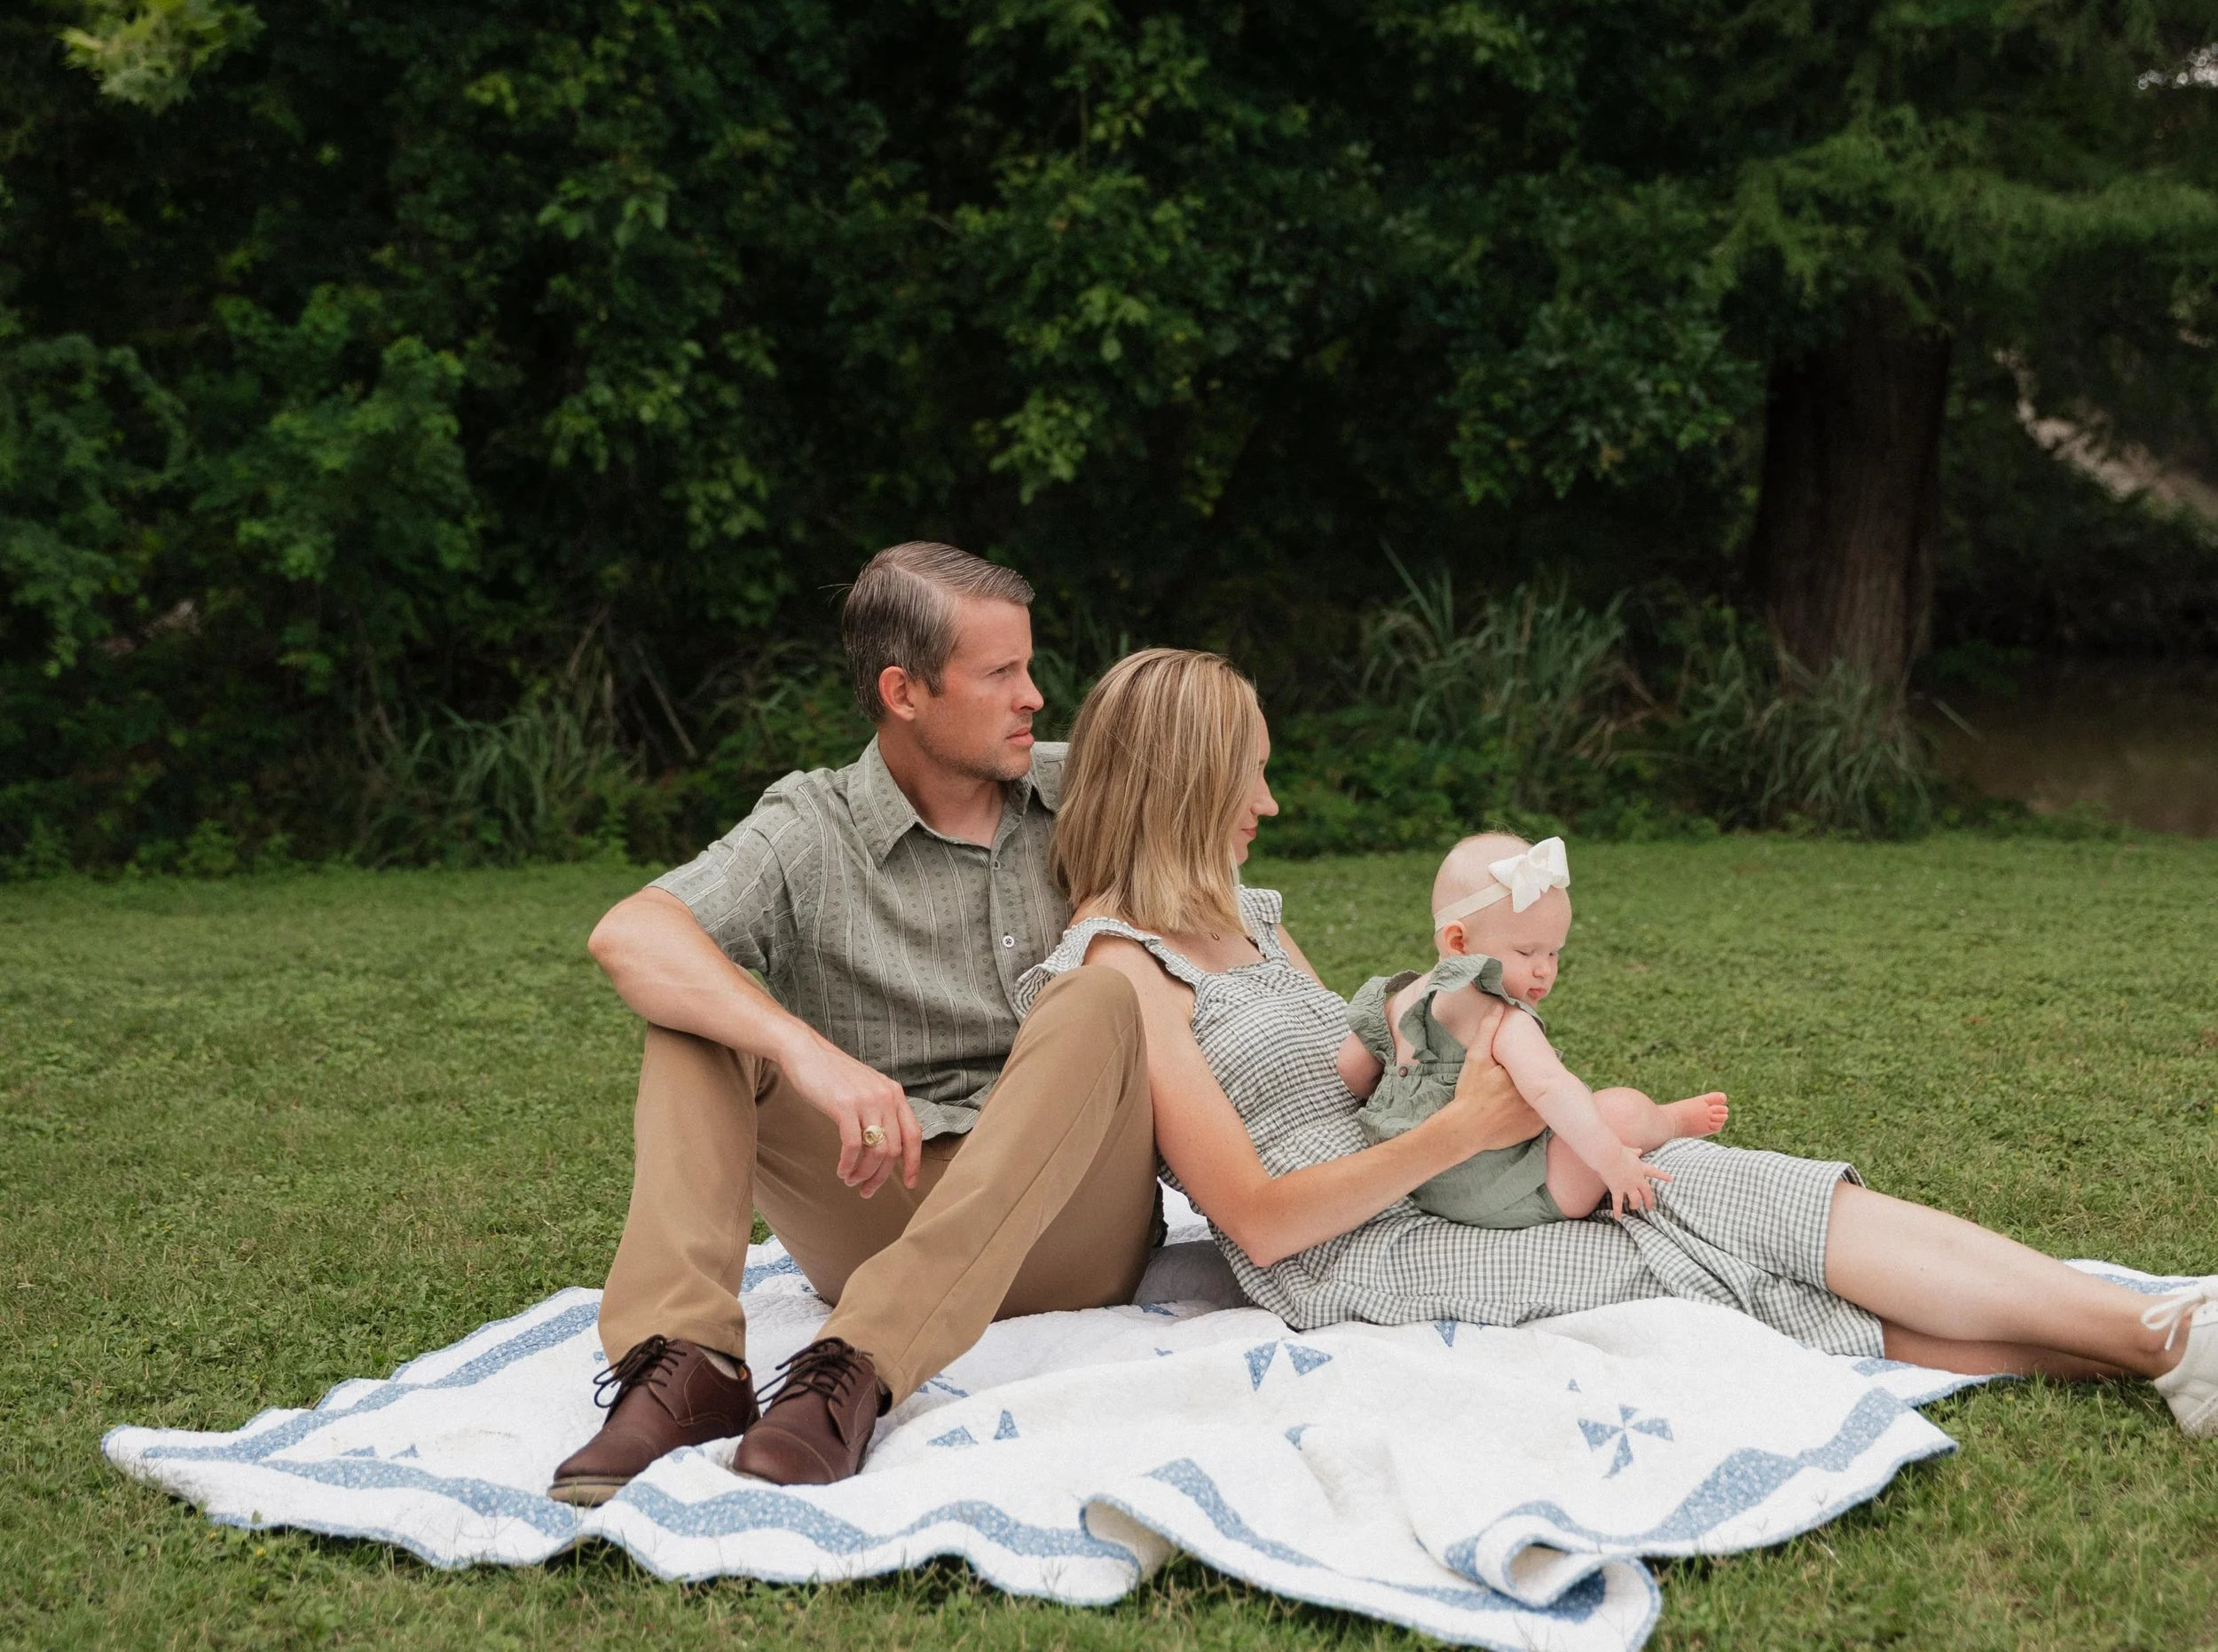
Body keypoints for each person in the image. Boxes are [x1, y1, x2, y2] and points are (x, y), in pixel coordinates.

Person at [1019, 646, 2218, 1428]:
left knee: (1712, 1182)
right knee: (1684, 1268)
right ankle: (2149, 1345)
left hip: (1453, 1181)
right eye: (1251, 779)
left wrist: (1454, 1020)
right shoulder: (1121, 974)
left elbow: (1363, 1066)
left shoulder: (1253, 920)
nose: (1271, 806)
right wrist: (1458, 1128)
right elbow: (1259, 1219)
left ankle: (2156, 1337)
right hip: (1355, 1261)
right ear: (1180, 784)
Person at [550, 543, 1157, 1503]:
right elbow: (631, 933)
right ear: (904, 691)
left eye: (1028, 667)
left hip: (1073, 1219)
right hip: (885, 1194)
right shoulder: (810, 826)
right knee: (698, 1021)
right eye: (1001, 673)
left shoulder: (1087, 789)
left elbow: (1235, 886)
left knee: (1099, 995)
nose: (1035, 696)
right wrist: (804, 1050)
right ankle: (691, 1366)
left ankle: (855, 1367)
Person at [1337, 829, 1730, 1226]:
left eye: (1554, 952)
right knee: (1621, 1109)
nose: (1545, 969)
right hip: (1514, 1191)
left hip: (1414, 1181)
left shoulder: (1400, 999)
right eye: (1526, 952)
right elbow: (1552, 1089)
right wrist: (1612, 1161)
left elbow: (1351, 1067)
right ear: (1458, 942)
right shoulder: (1501, 1019)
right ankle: (1670, 1121)